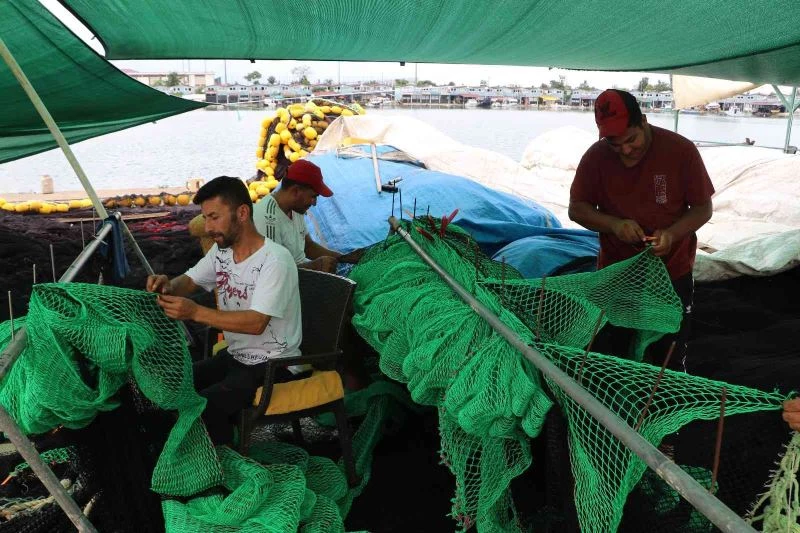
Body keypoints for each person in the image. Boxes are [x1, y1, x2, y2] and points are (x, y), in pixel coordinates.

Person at [146, 176, 303, 445]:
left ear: (242, 213)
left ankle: (221, 474)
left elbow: (256, 323)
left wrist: (194, 312)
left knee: (204, 410)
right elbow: (190, 281)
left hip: (275, 364)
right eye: (206, 218)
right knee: (170, 389)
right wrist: (167, 286)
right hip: (237, 357)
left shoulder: (275, 260)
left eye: (214, 217)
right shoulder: (222, 253)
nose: (207, 228)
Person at [568, 89, 715, 371]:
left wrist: (671, 234)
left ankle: (668, 405)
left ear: (644, 121)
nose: (625, 149)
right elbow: (577, 208)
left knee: (669, 351)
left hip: (671, 272)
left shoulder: (681, 151)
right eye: (614, 143)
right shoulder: (596, 157)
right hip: (616, 272)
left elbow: (702, 208)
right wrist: (614, 225)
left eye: (631, 139)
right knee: (612, 348)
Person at [253, 159, 362, 273]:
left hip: (301, 276)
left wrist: (343, 258)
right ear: (296, 191)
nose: (314, 203)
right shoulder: (267, 218)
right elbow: (271, 272)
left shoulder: (296, 209)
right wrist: (313, 267)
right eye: (313, 196)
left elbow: (308, 246)